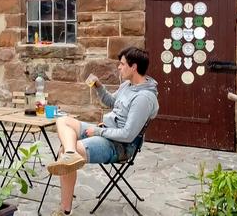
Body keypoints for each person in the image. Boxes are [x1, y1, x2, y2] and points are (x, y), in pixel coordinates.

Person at [47, 47, 159, 216]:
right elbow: (112, 102)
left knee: (63, 153)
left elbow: (128, 135)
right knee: (63, 120)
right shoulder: (127, 85)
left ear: (133, 67)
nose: (119, 67)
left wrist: (98, 132)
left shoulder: (144, 98)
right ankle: (71, 153)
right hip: (106, 131)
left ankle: (65, 210)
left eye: (121, 64)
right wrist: (99, 86)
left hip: (120, 145)